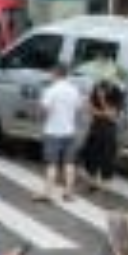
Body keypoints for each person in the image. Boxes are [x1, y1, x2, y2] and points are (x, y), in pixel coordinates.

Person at [38, 68, 87, 200]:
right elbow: (79, 109)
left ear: (56, 74)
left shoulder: (51, 90)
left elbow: (44, 109)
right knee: (69, 163)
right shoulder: (74, 90)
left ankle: (47, 193)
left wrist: (43, 120)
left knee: (51, 164)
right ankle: (68, 193)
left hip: (53, 131)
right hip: (69, 131)